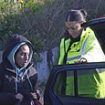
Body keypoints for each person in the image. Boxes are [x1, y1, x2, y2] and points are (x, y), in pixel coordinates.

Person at [57, 9, 105, 98]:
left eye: (74, 28)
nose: (70, 31)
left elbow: (94, 51)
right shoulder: (65, 42)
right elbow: (61, 64)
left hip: (92, 91)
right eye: (67, 28)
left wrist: (85, 59)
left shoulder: (90, 36)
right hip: (71, 93)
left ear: (82, 25)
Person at [0, 34, 42, 105]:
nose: (26, 58)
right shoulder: (2, 71)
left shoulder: (32, 72)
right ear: (12, 54)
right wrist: (14, 97)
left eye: (28, 54)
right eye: (22, 54)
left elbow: (38, 92)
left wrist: (37, 95)